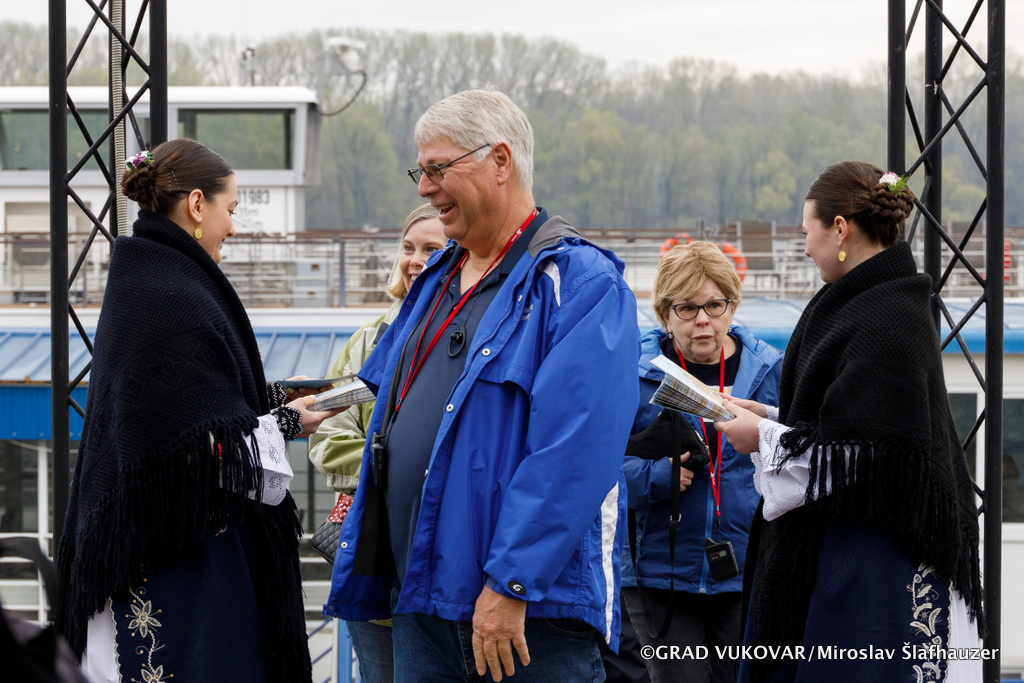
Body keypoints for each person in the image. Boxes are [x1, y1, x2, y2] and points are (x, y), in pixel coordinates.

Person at [323, 89, 639, 683]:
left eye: (438, 168)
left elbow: (575, 452)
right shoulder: (438, 277)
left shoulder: (579, 283)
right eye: (420, 171)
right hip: (420, 603)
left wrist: (511, 583)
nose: (424, 187)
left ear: (500, 160)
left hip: (524, 618)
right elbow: (387, 406)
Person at [56, 139, 341, 683]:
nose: (232, 226)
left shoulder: (150, 275)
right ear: (195, 205)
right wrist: (286, 422)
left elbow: (192, 401)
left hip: (159, 542)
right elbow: (193, 444)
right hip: (175, 562)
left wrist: (268, 400)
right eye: (229, 209)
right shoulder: (171, 292)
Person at [715, 161, 983, 683]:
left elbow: (869, 452)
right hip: (849, 549)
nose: (805, 247)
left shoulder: (888, 318)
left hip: (873, 569)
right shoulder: (868, 301)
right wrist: (770, 416)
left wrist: (763, 438)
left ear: (840, 229)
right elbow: (851, 420)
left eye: (806, 232)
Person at [617, 242, 781, 683]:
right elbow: (597, 469)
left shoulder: (771, 372)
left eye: (714, 305)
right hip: (660, 575)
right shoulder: (634, 372)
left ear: (732, 306)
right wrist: (653, 477)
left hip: (746, 571)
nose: (703, 319)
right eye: (687, 308)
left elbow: (799, 456)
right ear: (665, 315)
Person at [308, 203, 446, 683]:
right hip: (372, 554)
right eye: (408, 248)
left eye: (431, 249)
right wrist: (391, 468)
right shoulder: (370, 341)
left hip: (444, 558)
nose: (415, 260)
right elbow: (329, 431)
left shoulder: (478, 337)